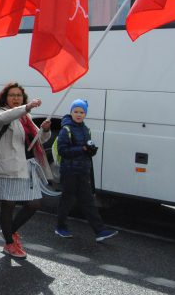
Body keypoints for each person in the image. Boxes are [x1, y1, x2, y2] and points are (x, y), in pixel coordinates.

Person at [0, 82, 52, 259]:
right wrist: (26, 107)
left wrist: (45, 130)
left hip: (26, 166)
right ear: (5, 98)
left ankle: (9, 231)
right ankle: (9, 243)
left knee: (34, 203)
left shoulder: (25, 118)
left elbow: (36, 140)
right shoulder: (1, 113)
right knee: (8, 205)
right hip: (8, 166)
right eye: (12, 95)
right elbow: (2, 120)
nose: (16, 98)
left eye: (19, 95)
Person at [55, 99, 118, 242]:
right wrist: (82, 149)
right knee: (67, 200)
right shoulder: (66, 129)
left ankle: (100, 231)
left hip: (83, 170)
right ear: (71, 113)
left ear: (85, 114)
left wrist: (91, 151)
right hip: (69, 171)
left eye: (81, 112)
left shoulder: (86, 129)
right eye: (76, 111)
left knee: (88, 201)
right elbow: (62, 151)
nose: (78, 114)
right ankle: (60, 227)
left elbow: (86, 152)